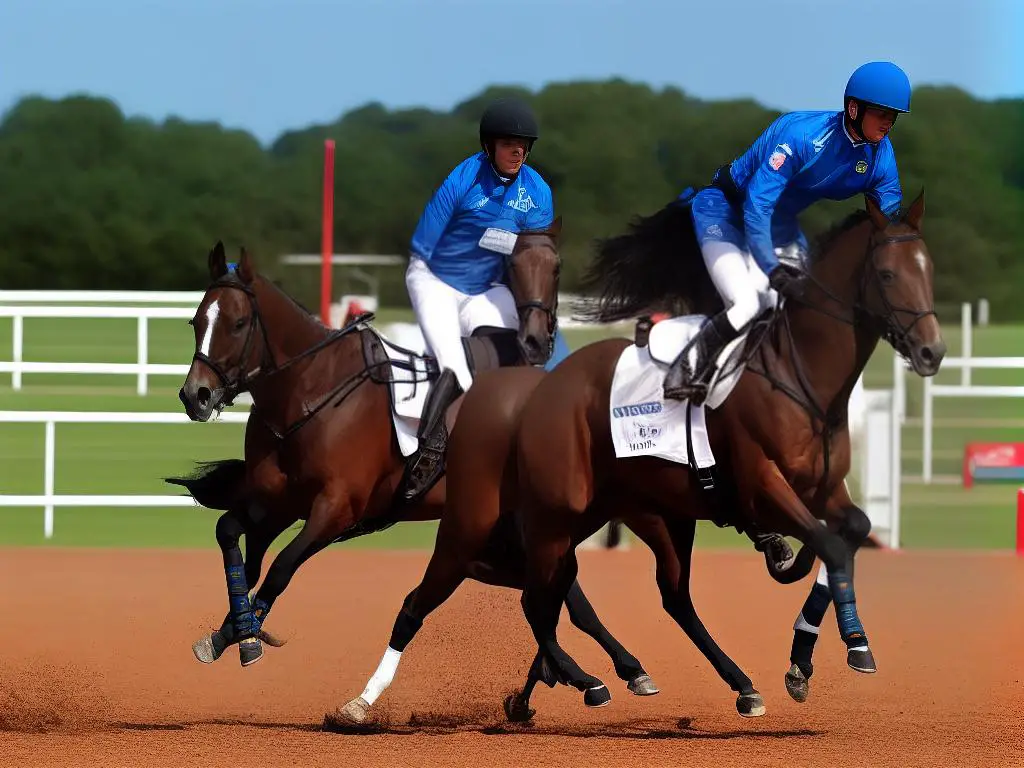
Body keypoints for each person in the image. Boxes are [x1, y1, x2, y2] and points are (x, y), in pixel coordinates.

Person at [663, 61, 911, 404]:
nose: (889, 122)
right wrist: (771, 268)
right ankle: (686, 371)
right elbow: (756, 207)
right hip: (724, 215)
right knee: (748, 303)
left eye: (894, 115)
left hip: (779, 229)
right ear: (854, 108)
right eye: (882, 113)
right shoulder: (802, 137)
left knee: (809, 303)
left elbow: (888, 220)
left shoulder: (880, 155)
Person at [401, 96, 555, 501]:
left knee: (515, 352)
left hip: (485, 286)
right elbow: (424, 246)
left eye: (523, 145)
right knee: (454, 363)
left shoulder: (538, 192)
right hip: (436, 278)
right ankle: (429, 453)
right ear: (490, 147)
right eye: (508, 144)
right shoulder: (463, 179)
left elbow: (533, 254)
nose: (517, 151)